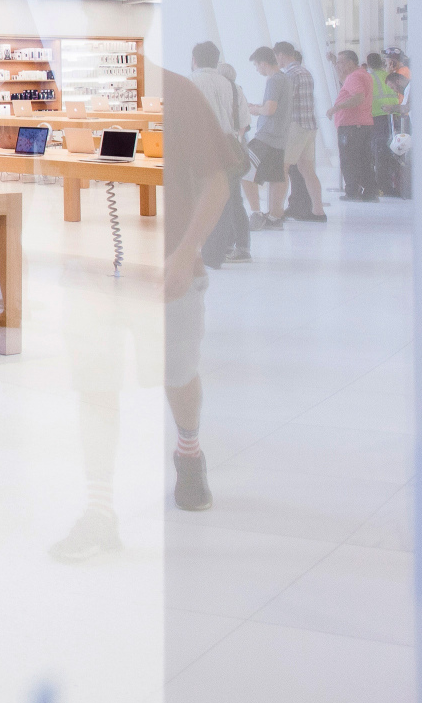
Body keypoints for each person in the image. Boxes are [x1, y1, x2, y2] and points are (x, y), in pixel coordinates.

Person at [50, 67, 236, 560]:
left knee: (178, 374)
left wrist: (185, 250)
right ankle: (99, 508)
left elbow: (217, 180)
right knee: (95, 385)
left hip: (166, 271)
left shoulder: (176, 92)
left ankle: (189, 451)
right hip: (93, 275)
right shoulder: (76, 95)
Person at [189, 42, 249, 265]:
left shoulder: (190, 82)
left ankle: (205, 249)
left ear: (195, 59)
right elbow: (243, 122)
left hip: (200, 148)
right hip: (228, 147)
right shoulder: (232, 86)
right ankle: (222, 250)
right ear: (217, 60)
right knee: (229, 199)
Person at [272, 41, 328, 221]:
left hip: (296, 125)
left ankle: (277, 212)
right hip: (310, 125)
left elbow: (285, 102)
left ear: (281, 54)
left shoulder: (289, 74)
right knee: (307, 169)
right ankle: (318, 210)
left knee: (283, 167)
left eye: (276, 57)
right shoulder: (305, 72)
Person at [244, 47, 290, 230]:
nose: (257, 69)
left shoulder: (273, 81)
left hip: (266, 136)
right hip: (279, 137)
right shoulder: (285, 79)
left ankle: (256, 213)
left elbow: (270, 109)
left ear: (263, 63)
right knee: (276, 177)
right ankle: (274, 216)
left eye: (257, 65)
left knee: (244, 169)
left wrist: (255, 109)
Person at [328, 49, 378, 201]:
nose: (338, 65)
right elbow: (346, 83)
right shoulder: (362, 74)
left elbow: (358, 97)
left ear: (350, 63)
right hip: (363, 124)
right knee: (364, 159)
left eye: (340, 62)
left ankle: (352, 191)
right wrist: (333, 62)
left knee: (349, 160)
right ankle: (369, 191)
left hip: (351, 126)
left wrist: (336, 108)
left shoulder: (354, 77)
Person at [366, 51, 402, 196]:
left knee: (380, 152)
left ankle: (383, 186)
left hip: (378, 116)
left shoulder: (369, 78)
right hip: (394, 115)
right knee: (395, 151)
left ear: (368, 64)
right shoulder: (387, 75)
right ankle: (396, 183)